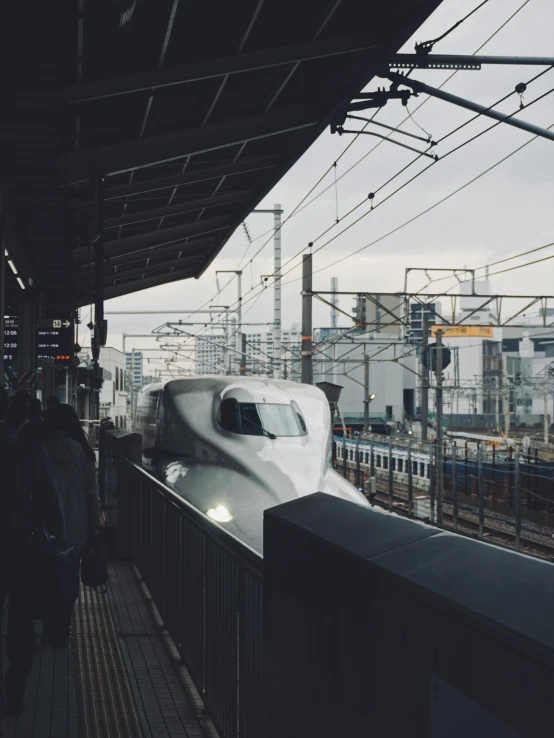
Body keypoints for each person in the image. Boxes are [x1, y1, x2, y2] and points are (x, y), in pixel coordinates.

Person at [0, 387, 66, 717]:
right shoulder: (29, 451)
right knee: (21, 621)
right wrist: (59, 533)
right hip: (20, 547)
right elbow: (51, 500)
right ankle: (14, 690)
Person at [43, 404, 101, 643]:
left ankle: (50, 623)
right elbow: (92, 494)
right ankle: (62, 628)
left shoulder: (41, 449)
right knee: (69, 574)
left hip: (46, 524)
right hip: (77, 524)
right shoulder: (84, 452)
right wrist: (95, 525)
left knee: (47, 574)